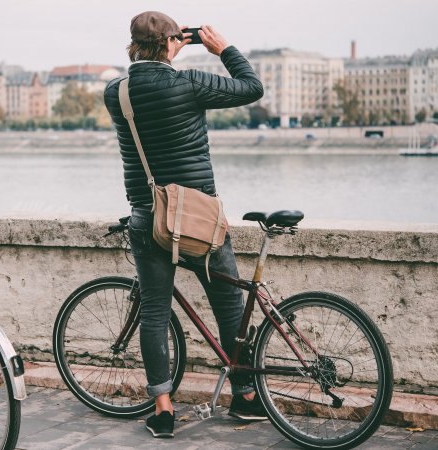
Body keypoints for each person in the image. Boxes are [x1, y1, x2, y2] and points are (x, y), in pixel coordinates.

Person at [103, 12, 265, 438]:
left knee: (154, 312)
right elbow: (252, 88)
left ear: (132, 44)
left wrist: (169, 49)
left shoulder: (114, 92)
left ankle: (163, 409)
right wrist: (222, 49)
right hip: (200, 218)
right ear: (173, 42)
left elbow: (149, 93)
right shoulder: (189, 82)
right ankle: (245, 397)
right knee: (229, 307)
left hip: (147, 216)